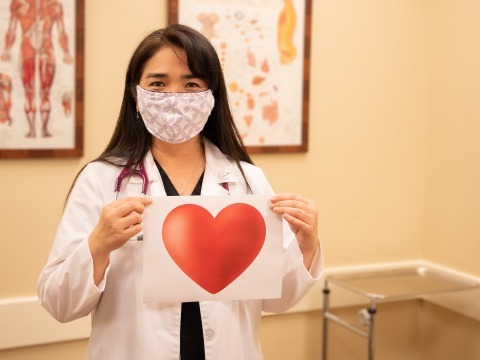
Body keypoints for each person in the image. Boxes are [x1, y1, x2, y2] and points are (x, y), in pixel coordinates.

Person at [37, 24, 322, 360]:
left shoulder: (247, 181)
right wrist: (97, 245)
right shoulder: (101, 180)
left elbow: (276, 299)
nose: (174, 96)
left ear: (211, 96)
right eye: (158, 83)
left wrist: (306, 246)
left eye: (191, 84)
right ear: (136, 94)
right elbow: (59, 304)